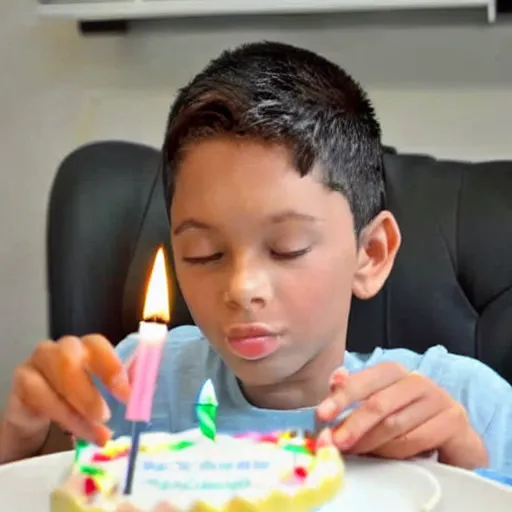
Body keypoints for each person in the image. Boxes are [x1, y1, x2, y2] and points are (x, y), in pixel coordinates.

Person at [1, 41, 511, 477]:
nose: (241, 287)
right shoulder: (133, 385)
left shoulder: (467, 405)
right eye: (205, 254)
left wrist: (470, 479)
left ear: (370, 254)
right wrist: (20, 446)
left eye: (287, 247)